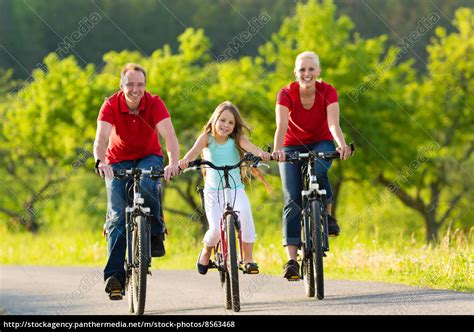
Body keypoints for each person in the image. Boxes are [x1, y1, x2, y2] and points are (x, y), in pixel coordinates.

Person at [93, 63, 180, 300]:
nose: (135, 89)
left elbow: (169, 136)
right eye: (130, 84)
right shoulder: (111, 105)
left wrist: (173, 162)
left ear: (145, 86)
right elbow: (101, 138)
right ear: (121, 86)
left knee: (149, 182)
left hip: (148, 156)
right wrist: (100, 161)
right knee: (117, 215)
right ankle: (114, 277)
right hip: (117, 160)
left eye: (140, 84)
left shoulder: (154, 103)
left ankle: (155, 232)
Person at [272, 51, 352, 280]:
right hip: (291, 146)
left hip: (321, 141)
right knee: (292, 198)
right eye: (302, 70)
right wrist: (277, 151)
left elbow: (333, 123)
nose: (306, 74)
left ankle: (326, 216)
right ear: (295, 73)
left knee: (320, 167)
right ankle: (292, 260)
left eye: (311, 69)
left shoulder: (328, 90)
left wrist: (342, 144)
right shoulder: (286, 93)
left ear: (318, 72)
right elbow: (282, 125)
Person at [179, 101, 271, 275]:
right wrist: (183, 162)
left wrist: (261, 154)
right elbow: (191, 153)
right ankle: (206, 250)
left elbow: (253, 148)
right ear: (215, 119)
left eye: (231, 123)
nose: (226, 125)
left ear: (235, 126)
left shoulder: (237, 139)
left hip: (235, 189)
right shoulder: (206, 138)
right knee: (214, 229)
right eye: (222, 120)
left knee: (245, 215)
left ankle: (248, 259)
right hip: (213, 192)